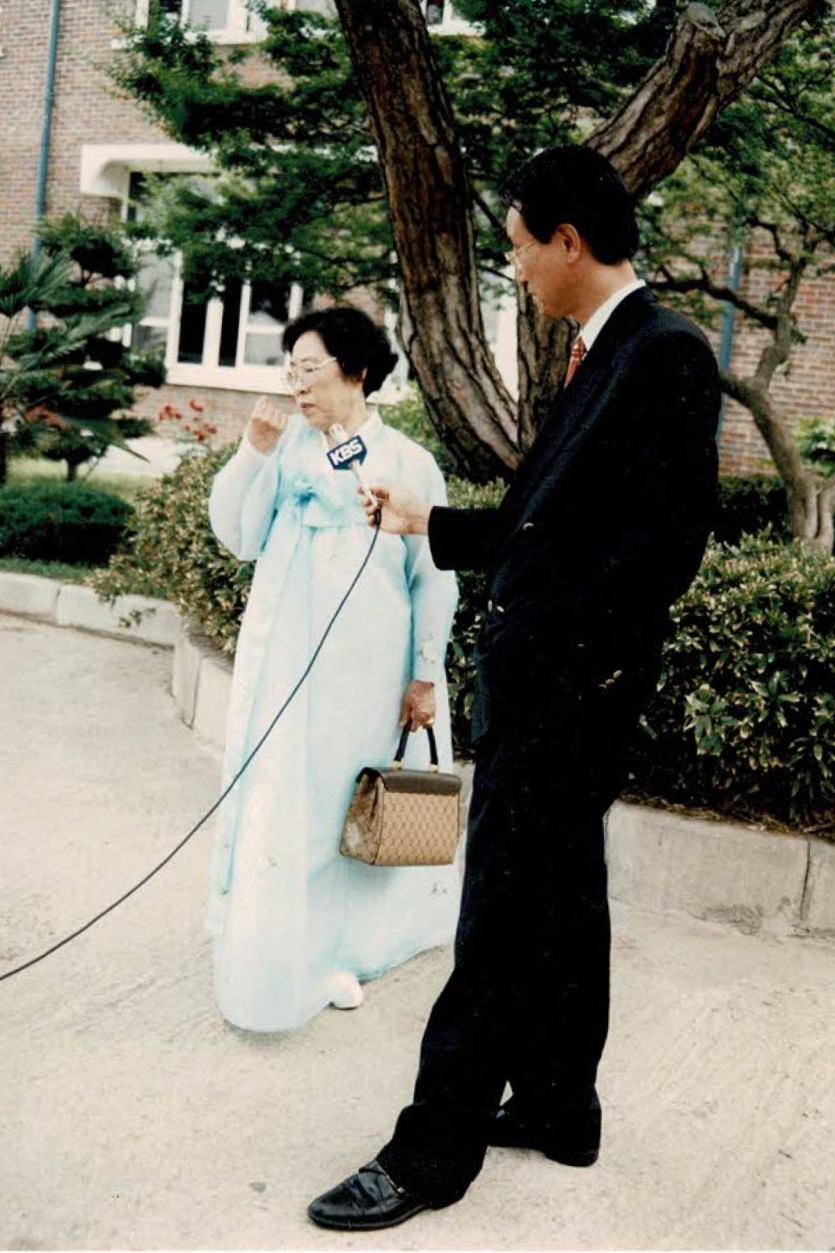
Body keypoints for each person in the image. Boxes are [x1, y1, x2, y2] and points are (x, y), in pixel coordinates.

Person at [307, 145, 721, 1229]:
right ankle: (557, 1102)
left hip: (565, 696)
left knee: (497, 915)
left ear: (567, 241)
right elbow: (559, 520)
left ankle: (430, 1149)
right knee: (564, 898)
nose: (518, 268)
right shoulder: (609, 348)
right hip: (554, 685)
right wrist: (431, 524)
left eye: (521, 247)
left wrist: (585, 668)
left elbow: (663, 544)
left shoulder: (663, 353)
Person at [207, 305, 460, 1033]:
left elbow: (432, 576)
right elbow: (238, 536)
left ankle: (342, 948)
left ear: (357, 371)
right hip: (285, 664)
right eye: (289, 370)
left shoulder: (408, 463)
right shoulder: (284, 449)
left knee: (342, 802)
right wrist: (253, 453)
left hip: (366, 670)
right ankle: (272, 942)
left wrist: (424, 673)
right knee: (283, 798)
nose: (296, 385)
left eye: (309, 369)